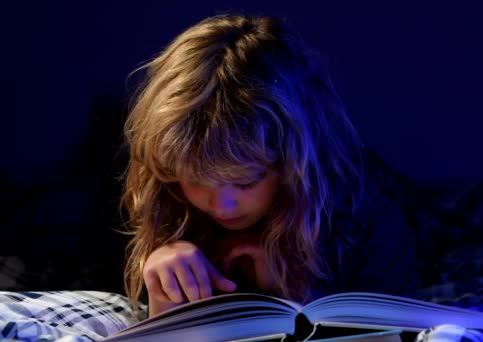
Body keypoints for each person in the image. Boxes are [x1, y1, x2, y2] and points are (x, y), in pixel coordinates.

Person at [121, 13, 416, 317]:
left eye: (247, 181)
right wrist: (164, 291)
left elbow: (383, 324)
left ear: (293, 166)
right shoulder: (169, 206)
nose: (223, 207)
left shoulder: (364, 215)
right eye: (195, 180)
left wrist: (295, 290)